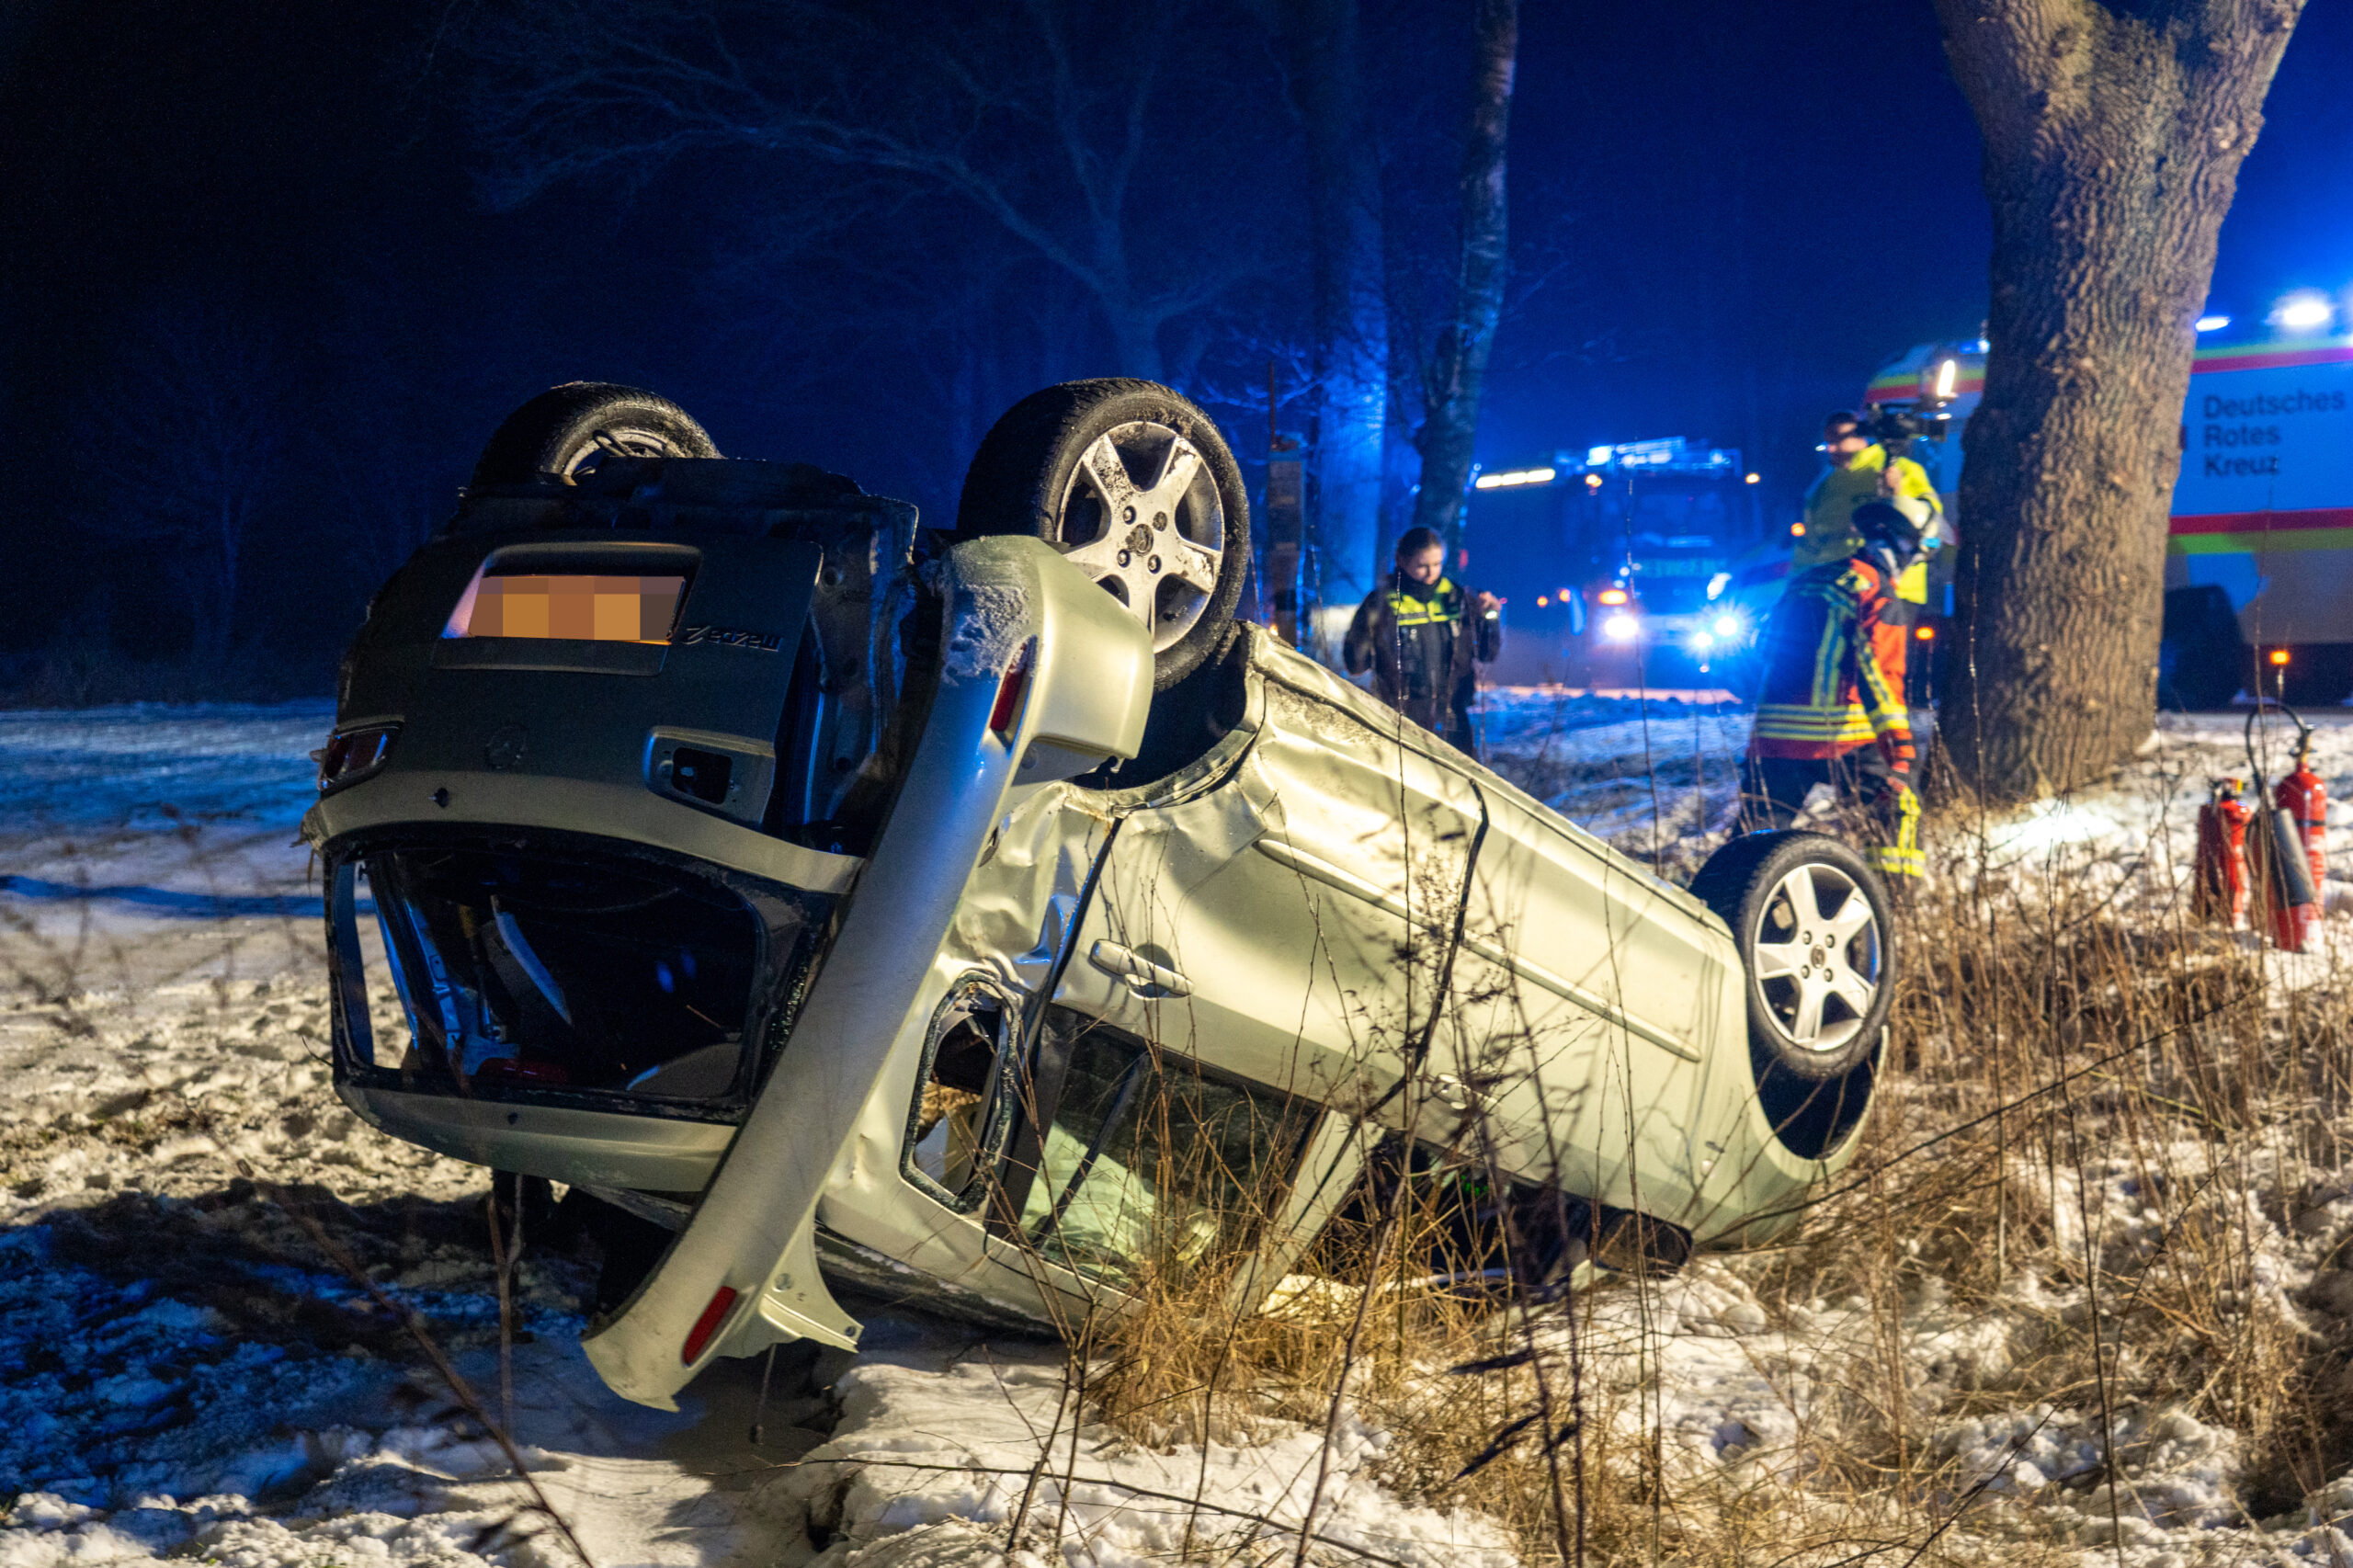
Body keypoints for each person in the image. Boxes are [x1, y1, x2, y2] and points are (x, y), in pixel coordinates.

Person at [1741, 500, 1925, 881]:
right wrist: (1900, 752)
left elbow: (1759, 649)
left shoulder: (1805, 581)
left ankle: (1721, 910)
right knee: (1899, 807)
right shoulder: (1876, 594)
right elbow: (1879, 678)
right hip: (1843, 739)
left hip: (1774, 738)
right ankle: (1890, 904)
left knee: (1753, 838)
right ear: (1904, 549)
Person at [1343, 527, 1502, 753]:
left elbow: (1487, 654)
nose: (1431, 573)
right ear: (1402, 561)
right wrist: (1365, 634)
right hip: (1402, 722)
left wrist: (1491, 618)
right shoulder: (1382, 602)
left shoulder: (1457, 598)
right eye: (1422, 566)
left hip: (1454, 719)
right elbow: (1355, 665)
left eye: (1437, 564)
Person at [1794, 410, 1947, 614]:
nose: (1830, 448)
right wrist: (1796, 584)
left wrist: (1897, 495)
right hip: (1837, 594)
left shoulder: (1903, 470)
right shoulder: (1824, 488)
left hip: (1893, 593)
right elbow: (1807, 548)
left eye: (1838, 440)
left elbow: (1933, 534)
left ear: (1861, 438)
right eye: (1827, 442)